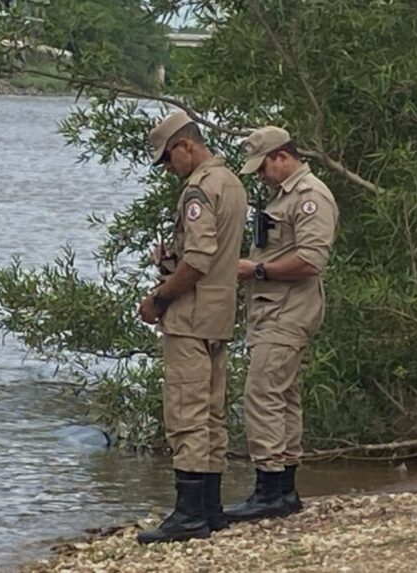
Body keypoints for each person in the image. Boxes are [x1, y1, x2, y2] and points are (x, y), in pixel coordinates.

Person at [137, 110, 247, 543]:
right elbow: (218, 257)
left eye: (168, 159)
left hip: (192, 315)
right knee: (212, 413)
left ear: (186, 145)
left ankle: (188, 515)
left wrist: (160, 297)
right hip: (220, 313)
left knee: (186, 414)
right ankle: (211, 509)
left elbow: (199, 260)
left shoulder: (199, 189)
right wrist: (171, 259)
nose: (169, 169)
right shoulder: (233, 182)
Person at [224, 126, 338, 522]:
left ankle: (269, 487)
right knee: (283, 394)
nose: (260, 176)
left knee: (262, 393)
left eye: (262, 168)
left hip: (289, 311)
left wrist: (256, 269)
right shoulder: (282, 197)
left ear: (282, 157)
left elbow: (311, 260)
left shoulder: (310, 198)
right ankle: (285, 489)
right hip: (275, 310)